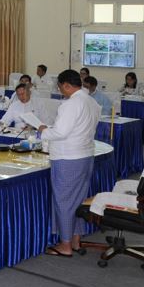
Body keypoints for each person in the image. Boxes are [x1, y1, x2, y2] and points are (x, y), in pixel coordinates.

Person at [37, 69, 99, 257]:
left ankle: (65, 245)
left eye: (60, 87)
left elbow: (60, 132)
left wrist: (43, 130)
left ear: (66, 85)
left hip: (68, 158)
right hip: (85, 156)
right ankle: (75, 240)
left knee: (64, 201)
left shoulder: (71, 104)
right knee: (78, 201)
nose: (60, 91)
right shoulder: (91, 101)